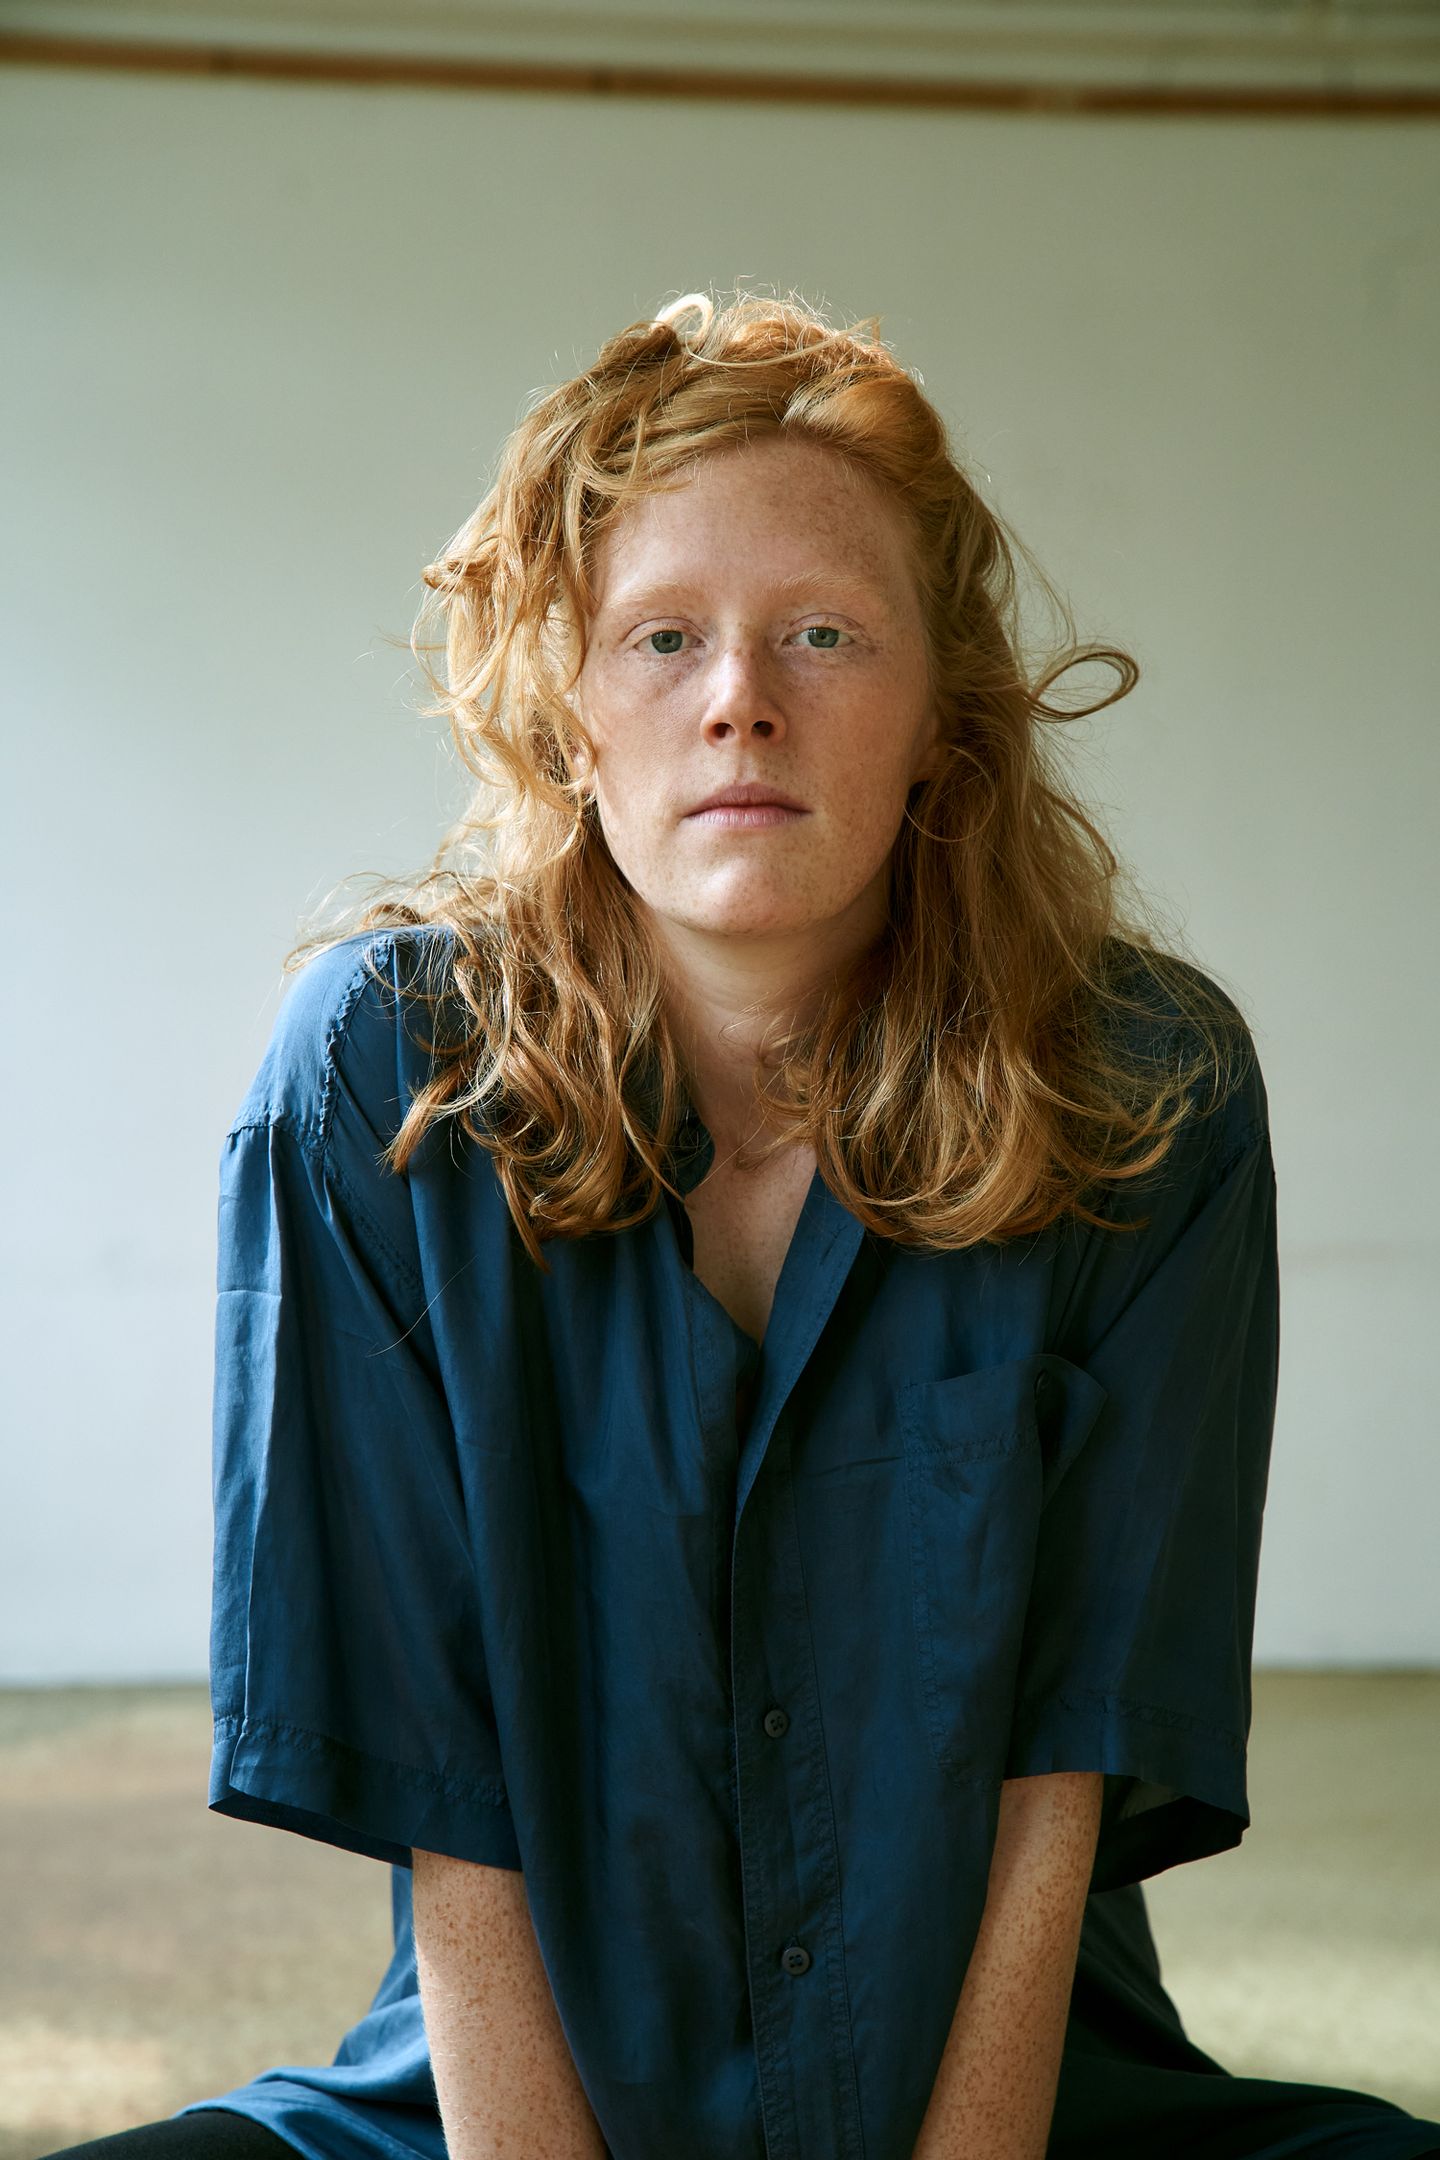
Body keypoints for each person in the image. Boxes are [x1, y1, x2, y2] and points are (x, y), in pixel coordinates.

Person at [45, 290, 1440, 2160]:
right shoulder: (381, 1081)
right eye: (664, 636)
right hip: (491, 2096)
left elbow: (1068, 1764)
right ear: (569, 711)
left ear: (940, 717)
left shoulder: (1144, 1085)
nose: (739, 701)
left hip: (1025, 2091)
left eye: (824, 633)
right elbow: (446, 1801)